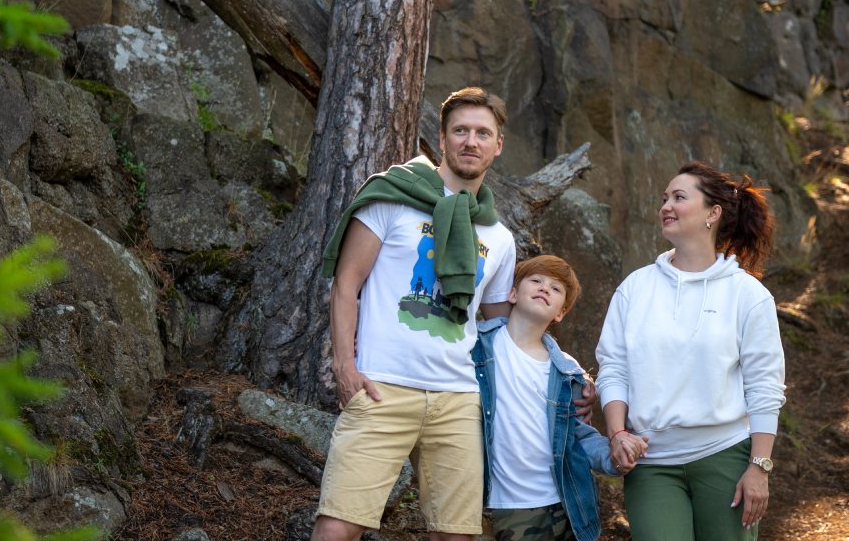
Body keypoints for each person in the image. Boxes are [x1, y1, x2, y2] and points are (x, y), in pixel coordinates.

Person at [312, 87, 594, 541]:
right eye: (460, 130)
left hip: (460, 399)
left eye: (483, 133)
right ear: (441, 138)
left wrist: (569, 378)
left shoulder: (498, 237)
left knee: (455, 533)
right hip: (383, 387)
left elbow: (508, 331)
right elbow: (346, 285)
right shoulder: (392, 197)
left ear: (498, 145)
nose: (471, 141)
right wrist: (345, 367)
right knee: (338, 524)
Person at [595, 161, 787, 540]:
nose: (666, 206)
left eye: (679, 197)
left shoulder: (748, 294)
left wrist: (759, 467)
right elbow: (613, 367)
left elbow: (765, 386)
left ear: (712, 214)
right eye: (664, 198)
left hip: (725, 457)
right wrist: (617, 434)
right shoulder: (635, 288)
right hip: (651, 462)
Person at [473, 255, 643, 541]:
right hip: (510, 503)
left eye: (555, 288)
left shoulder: (567, 370)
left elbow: (578, 436)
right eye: (536, 280)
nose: (544, 288)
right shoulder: (477, 346)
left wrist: (614, 455)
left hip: (566, 502)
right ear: (512, 294)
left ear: (561, 313)